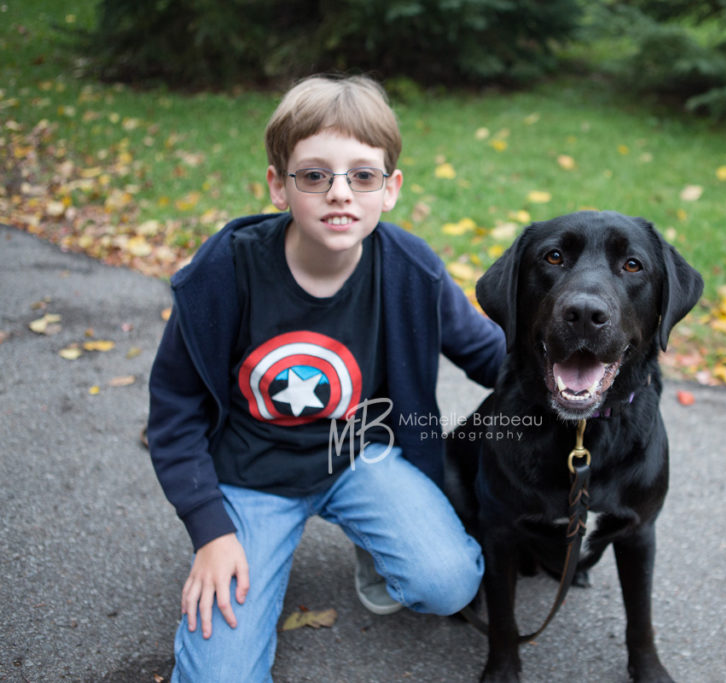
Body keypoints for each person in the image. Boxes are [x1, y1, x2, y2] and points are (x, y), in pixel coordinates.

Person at [147, 74, 506, 681]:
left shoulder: (411, 270)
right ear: (277, 186)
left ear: (390, 189)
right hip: (251, 476)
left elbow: (487, 353)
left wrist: (584, 381)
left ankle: (378, 545)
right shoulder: (225, 272)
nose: (339, 192)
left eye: (362, 175)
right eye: (314, 175)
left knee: (448, 581)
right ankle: (246, 552)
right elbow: (174, 408)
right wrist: (210, 531)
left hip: (360, 457)